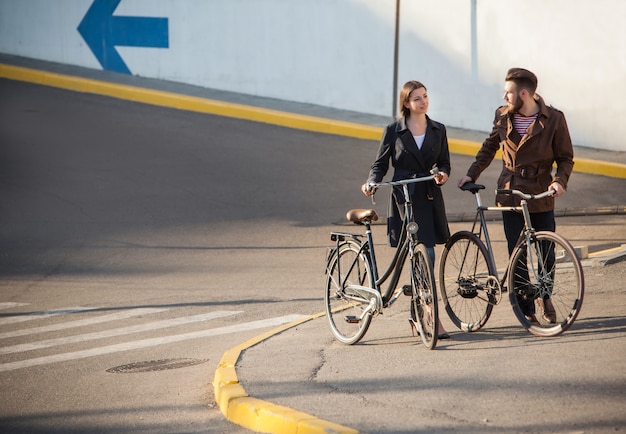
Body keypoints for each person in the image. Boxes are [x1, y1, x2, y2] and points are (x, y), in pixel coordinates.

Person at [457, 67, 574, 325]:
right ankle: (526, 308)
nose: (504, 96)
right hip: (509, 193)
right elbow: (489, 147)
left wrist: (559, 181)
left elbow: (565, 158)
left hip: (540, 192)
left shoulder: (554, 119)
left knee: (546, 252)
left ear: (524, 93)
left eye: (508, 92)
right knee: (516, 253)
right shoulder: (502, 115)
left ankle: (545, 296)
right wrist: (471, 174)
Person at [361, 80, 451, 339]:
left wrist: (442, 174)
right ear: (406, 103)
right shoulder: (393, 130)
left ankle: (425, 316)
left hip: (429, 195)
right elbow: (380, 164)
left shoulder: (438, 129)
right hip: (404, 197)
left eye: (425, 96)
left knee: (427, 255)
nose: (423, 101)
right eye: (417, 98)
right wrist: (372, 182)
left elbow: (444, 162)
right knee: (415, 255)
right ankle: (423, 315)